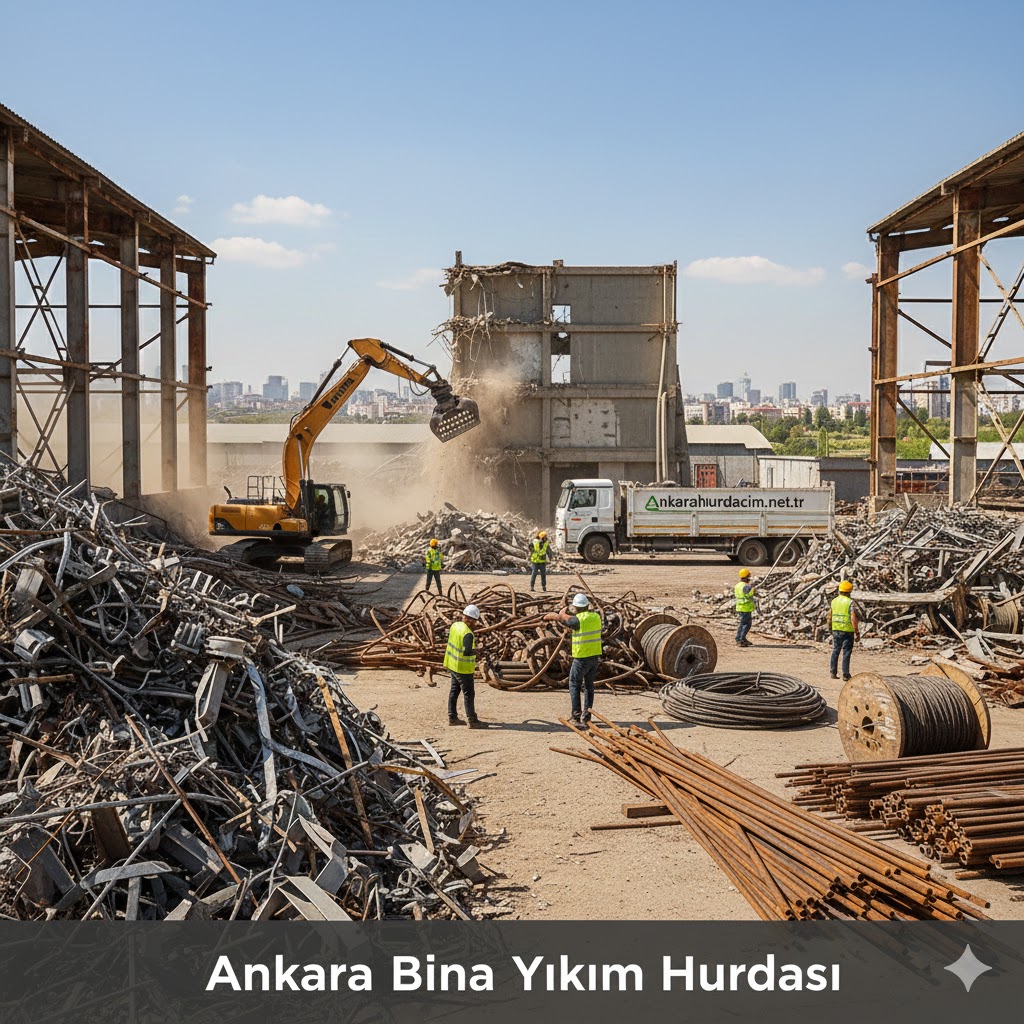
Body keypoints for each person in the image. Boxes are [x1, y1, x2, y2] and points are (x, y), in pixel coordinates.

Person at [543, 593, 602, 727]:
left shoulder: (577, 620)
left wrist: (559, 611)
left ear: (575, 608)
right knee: (589, 686)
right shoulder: (596, 617)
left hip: (581, 658)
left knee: (574, 684)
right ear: (587, 606)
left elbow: (563, 618)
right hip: (594, 657)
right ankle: (587, 717)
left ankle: (576, 717)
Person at [443, 604, 488, 728]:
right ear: (471, 620)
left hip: (452, 664)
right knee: (469, 693)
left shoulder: (455, 625)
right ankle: (472, 721)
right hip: (462, 668)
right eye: (475, 621)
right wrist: (478, 651)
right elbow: (467, 652)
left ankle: (452, 717)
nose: (475, 624)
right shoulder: (468, 634)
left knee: (454, 691)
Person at [827, 579, 860, 681]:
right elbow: (853, 617)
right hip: (847, 631)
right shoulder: (850, 602)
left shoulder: (834, 601)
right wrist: (856, 632)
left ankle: (833, 672)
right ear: (849, 592)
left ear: (839, 590)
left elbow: (829, 616)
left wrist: (830, 628)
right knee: (846, 652)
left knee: (835, 650)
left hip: (836, 629)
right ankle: (845, 674)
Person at [734, 568, 755, 647]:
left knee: (742, 624)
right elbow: (749, 595)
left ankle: (739, 638)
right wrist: (753, 590)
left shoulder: (738, 585)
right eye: (749, 577)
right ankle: (741, 640)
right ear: (746, 577)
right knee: (746, 624)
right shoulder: (745, 586)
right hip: (745, 607)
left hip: (739, 607)